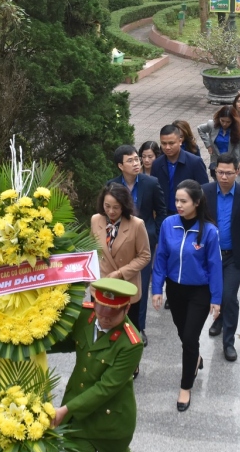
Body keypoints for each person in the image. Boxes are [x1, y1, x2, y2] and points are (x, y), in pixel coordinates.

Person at [51, 278, 143, 452]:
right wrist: (33, 341)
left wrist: (65, 411)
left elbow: (105, 388)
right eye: (100, 308)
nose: (103, 317)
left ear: (126, 310)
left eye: (111, 313)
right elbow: (64, 341)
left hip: (112, 421)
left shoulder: (131, 343)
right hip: (78, 421)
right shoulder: (85, 316)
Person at [151, 179, 222, 412]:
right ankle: (196, 358)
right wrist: (157, 289)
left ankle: (185, 386)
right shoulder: (169, 224)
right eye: (176, 200)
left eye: (184, 201)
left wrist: (216, 299)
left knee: (190, 338)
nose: (178, 205)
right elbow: (160, 257)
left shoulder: (209, 231)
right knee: (184, 334)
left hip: (199, 292)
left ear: (197, 203)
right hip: (175, 290)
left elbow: (215, 266)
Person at [201, 159, 240, 361]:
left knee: (229, 296)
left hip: (234, 257)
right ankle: (218, 320)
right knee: (213, 296)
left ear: (237, 171)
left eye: (229, 173)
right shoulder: (205, 192)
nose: (224, 177)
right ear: (215, 172)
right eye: (220, 172)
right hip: (210, 257)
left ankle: (228, 342)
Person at [91, 183, 151, 368]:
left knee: (128, 328)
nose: (111, 211)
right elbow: (92, 249)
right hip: (102, 285)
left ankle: (131, 364)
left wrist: (120, 273)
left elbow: (145, 255)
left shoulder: (136, 224)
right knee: (102, 324)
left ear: (124, 205)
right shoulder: (96, 220)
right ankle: (102, 361)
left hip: (126, 285)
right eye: (107, 206)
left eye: (116, 207)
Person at [109, 145, 165, 342]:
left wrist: (156, 236)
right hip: (119, 245)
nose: (136, 163)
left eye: (137, 159)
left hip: (144, 244)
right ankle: (117, 324)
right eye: (130, 160)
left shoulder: (150, 183)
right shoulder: (112, 186)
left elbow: (161, 211)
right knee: (119, 285)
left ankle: (138, 328)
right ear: (120, 166)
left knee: (139, 287)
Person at [151, 124, 210, 214]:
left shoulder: (195, 162)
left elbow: (204, 191)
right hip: (164, 215)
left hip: (189, 214)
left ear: (180, 141)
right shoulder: (157, 164)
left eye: (171, 143)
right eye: (163, 143)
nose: (167, 147)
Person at [196, 105, 240, 172]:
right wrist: (208, 145)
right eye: (222, 121)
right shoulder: (212, 124)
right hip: (217, 162)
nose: (224, 124)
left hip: (233, 162)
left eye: (228, 122)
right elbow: (200, 129)